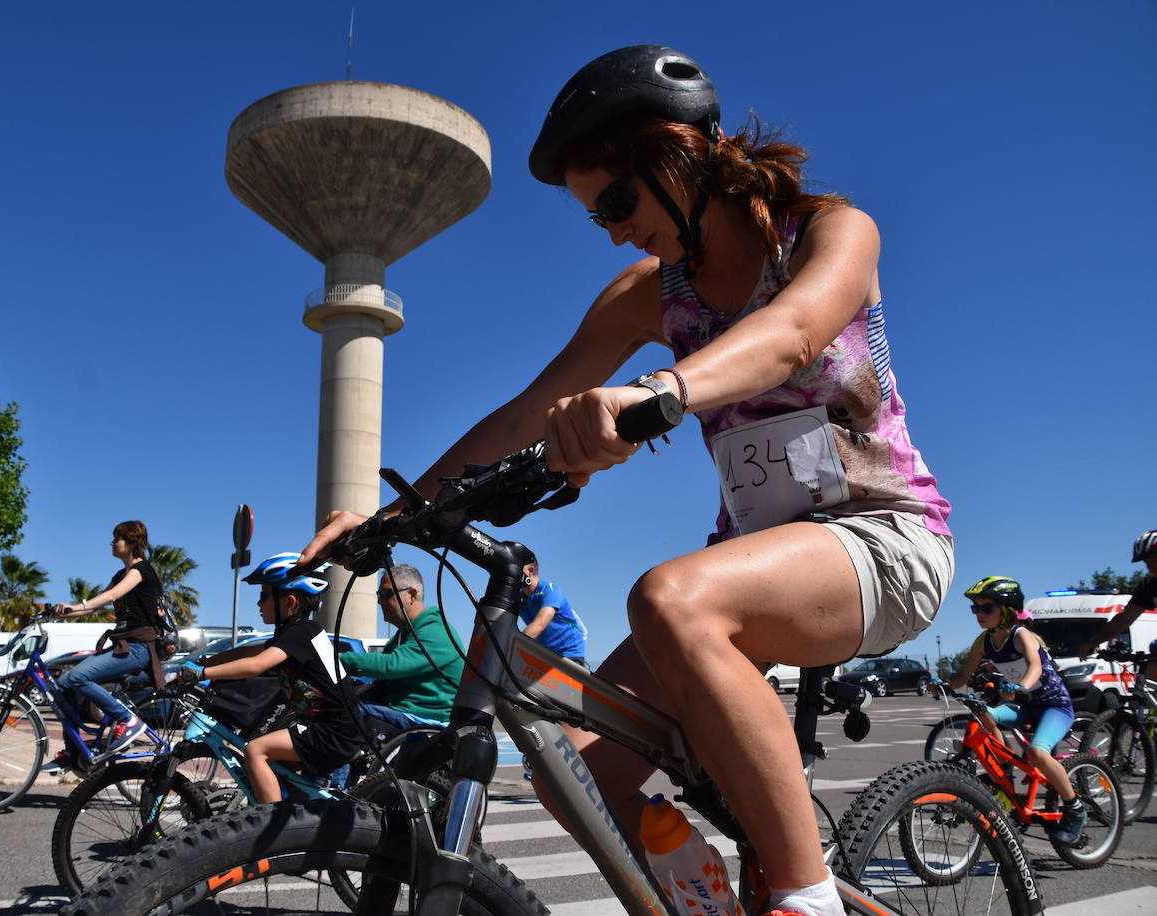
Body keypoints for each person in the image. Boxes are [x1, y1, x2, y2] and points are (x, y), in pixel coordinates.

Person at [303, 45, 953, 916]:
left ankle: (807, 905)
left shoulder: (827, 231)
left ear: (679, 153)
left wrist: (657, 393)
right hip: (755, 567)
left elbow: (794, 334)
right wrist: (391, 515)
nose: (611, 230)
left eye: (617, 200)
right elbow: (527, 410)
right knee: (582, 776)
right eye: (595, 217)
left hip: (886, 539)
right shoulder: (649, 294)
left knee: (671, 597)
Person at [176, 552, 362, 804]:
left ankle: (270, 822)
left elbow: (256, 665)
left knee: (255, 750)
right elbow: (246, 652)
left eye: (264, 596)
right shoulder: (296, 634)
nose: (258, 604)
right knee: (279, 768)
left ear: (290, 602)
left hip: (332, 731)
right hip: (334, 727)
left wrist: (201, 674)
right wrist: (203, 661)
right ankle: (299, 820)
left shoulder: (300, 633)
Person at [936, 576, 1085, 845]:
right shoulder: (984, 641)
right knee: (984, 713)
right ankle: (1003, 772)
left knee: (1037, 753)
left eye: (986, 608)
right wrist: (941, 684)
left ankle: (1074, 807)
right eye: (976, 609)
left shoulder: (1022, 634)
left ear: (1006, 609)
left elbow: (1035, 667)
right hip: (1025, 706)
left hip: (1054, 706)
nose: (979, 614)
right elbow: (962, 675)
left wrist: (1019, 686)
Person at [49, 520, 163, 767]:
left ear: (133, 542)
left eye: (117, 538)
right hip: (123, 646)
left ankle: (127, 719)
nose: (112, 543)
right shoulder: (120, 574)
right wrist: (61, 613)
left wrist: (77, 606)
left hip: (138, 648)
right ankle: (73, 752)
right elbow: (95, 605)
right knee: (63, 685)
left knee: (76, 677)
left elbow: (111, 596)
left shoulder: (141, 570)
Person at [339, 564, 465, 730]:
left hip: (424, 718)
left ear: (411, 595)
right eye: (379, 595)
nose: (379, 601)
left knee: (338, 710)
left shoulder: (436, 630)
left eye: (386, 593)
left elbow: (391, 665)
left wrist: (337, 659)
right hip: (401, 711)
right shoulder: (401, 636)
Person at [1077, 529, 1157, 684]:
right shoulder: (1148, 586)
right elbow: (1125, 618)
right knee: (1149, 671)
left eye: (1153, 560)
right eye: (1146, 562)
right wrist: (1095, 640)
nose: (1149, 566)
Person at [504, 542, 588, 667]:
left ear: (531, 570)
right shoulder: (519, 596)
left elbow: (540, 624)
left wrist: (508, 649)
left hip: (569, 654)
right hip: (546, 654)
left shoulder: (551, 590)